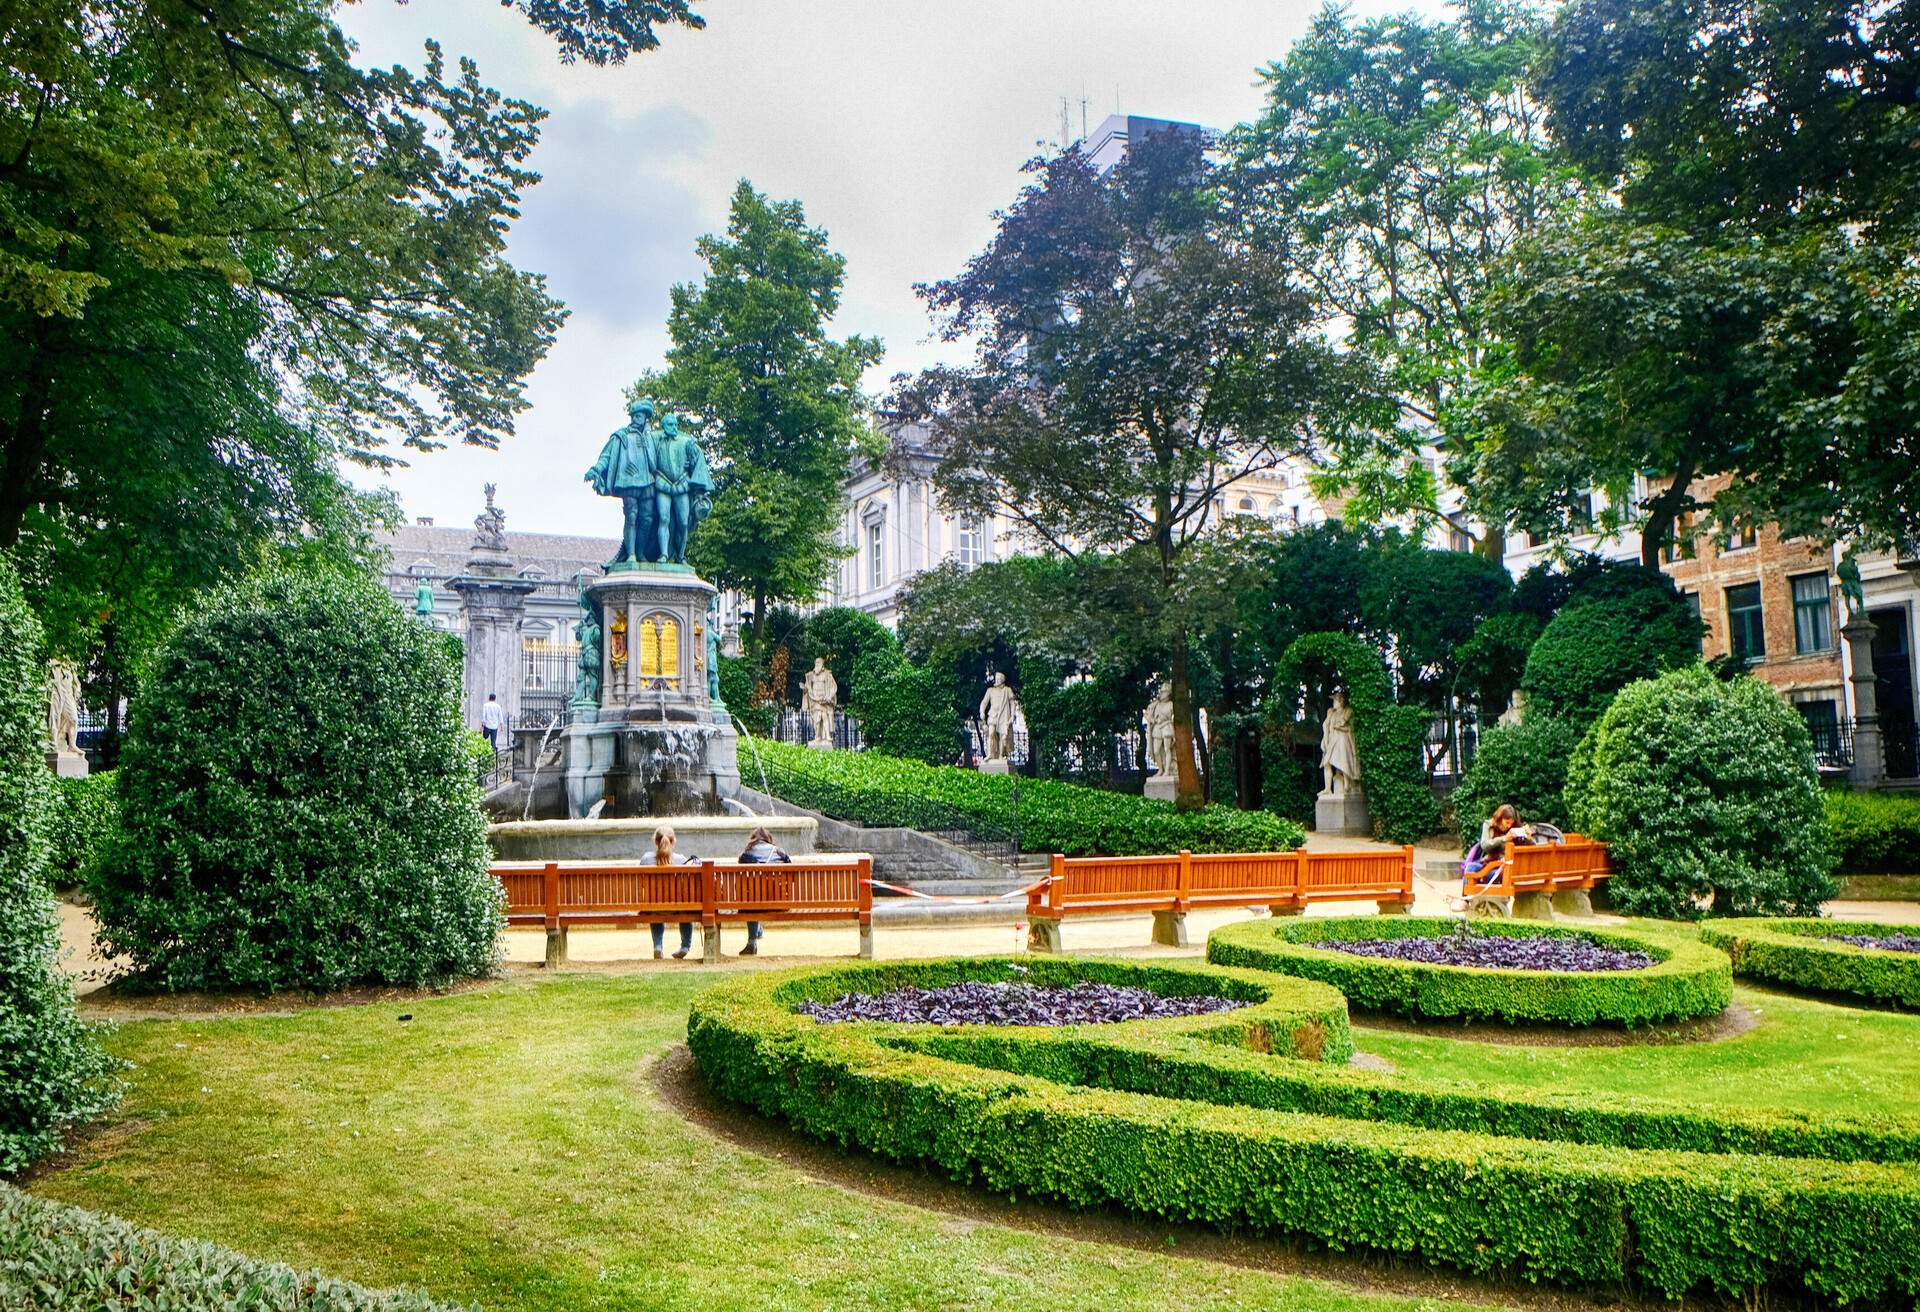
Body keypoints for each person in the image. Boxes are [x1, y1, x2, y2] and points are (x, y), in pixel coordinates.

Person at [734, 826, 792, 957]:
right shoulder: (779, 852)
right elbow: (792, 877)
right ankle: (757, 931)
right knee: (755, 896)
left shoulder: (747, 854)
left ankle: (752, 942)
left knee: (751, 896)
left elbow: (740, 880)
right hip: (778, 902)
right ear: (768, 839)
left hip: (753, 904)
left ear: (753, 839)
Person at [649, 824, 695, 960]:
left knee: (655, 904)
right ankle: (685, 946)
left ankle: (658, 946)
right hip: (677, 907)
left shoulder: (646, 859)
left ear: (655, 841)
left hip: (653, 907)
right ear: (673, 840)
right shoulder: (681, 860)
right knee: (686, 906)